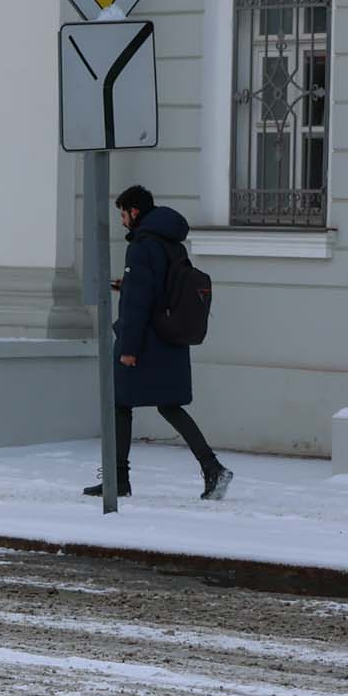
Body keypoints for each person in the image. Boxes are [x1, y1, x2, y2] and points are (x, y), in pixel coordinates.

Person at [97, 185, 232, 501]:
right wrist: (128, 284)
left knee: (120, 403)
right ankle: (212, 468)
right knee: (168, 404)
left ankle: (118, 480)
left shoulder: (142, 247)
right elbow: (160, 288)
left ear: (134, 212)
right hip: (170, 337)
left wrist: (129, 349)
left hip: (146, 341)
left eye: (122, 213)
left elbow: (139, 303)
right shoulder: (172, 245)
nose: (121, 221)